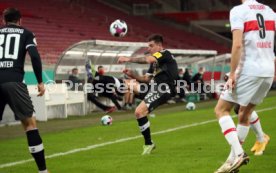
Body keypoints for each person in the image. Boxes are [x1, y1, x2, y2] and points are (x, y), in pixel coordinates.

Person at [214, 1, 275, 172]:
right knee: (244, 114)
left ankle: (239, 153)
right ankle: (231, 161)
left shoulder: (239, 11)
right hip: (268, 71)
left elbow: (238, 44)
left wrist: (232, 74)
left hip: (249, 69)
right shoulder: (269, 11)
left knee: (221, 110)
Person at [0, 8, 49, 173]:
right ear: (20, 21)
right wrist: (40, 82)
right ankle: (43, 171)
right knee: (30, 125)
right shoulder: (26, 33)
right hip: (14, 81)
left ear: (3, 20)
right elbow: (34, 56)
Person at [118, 34, 178, 155]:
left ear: (159, 45)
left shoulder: (165, 53)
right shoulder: (154, 63)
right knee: (130, 87)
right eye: (148, 46)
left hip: (164, 88)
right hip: (154, 87)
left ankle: (148, 144)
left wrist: (128, 59)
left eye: (151, 46)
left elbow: (147, 59)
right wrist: (132, 75)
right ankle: (149, 143)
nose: (149, 49)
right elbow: (146, 78)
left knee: (139, 111)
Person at [224, 73, 270, 156]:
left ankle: (261, 138)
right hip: (248, 74)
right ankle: (261, 137)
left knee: (244, 108)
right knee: (240, 109)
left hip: (258, 75)